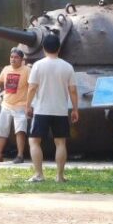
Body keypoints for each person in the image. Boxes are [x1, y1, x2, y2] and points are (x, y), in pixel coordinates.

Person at [25, 33, 79, 183]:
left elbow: (32, 88)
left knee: (34, 142)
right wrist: (75, 109)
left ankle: (39, 175)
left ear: (43, 48)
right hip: (60, 110)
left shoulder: (38, 65)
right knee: (60, 143)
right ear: (59, 48)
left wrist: (28, 105)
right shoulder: (67, 67)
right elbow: (73, 90)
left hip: (41, 109)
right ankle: (59, 176)